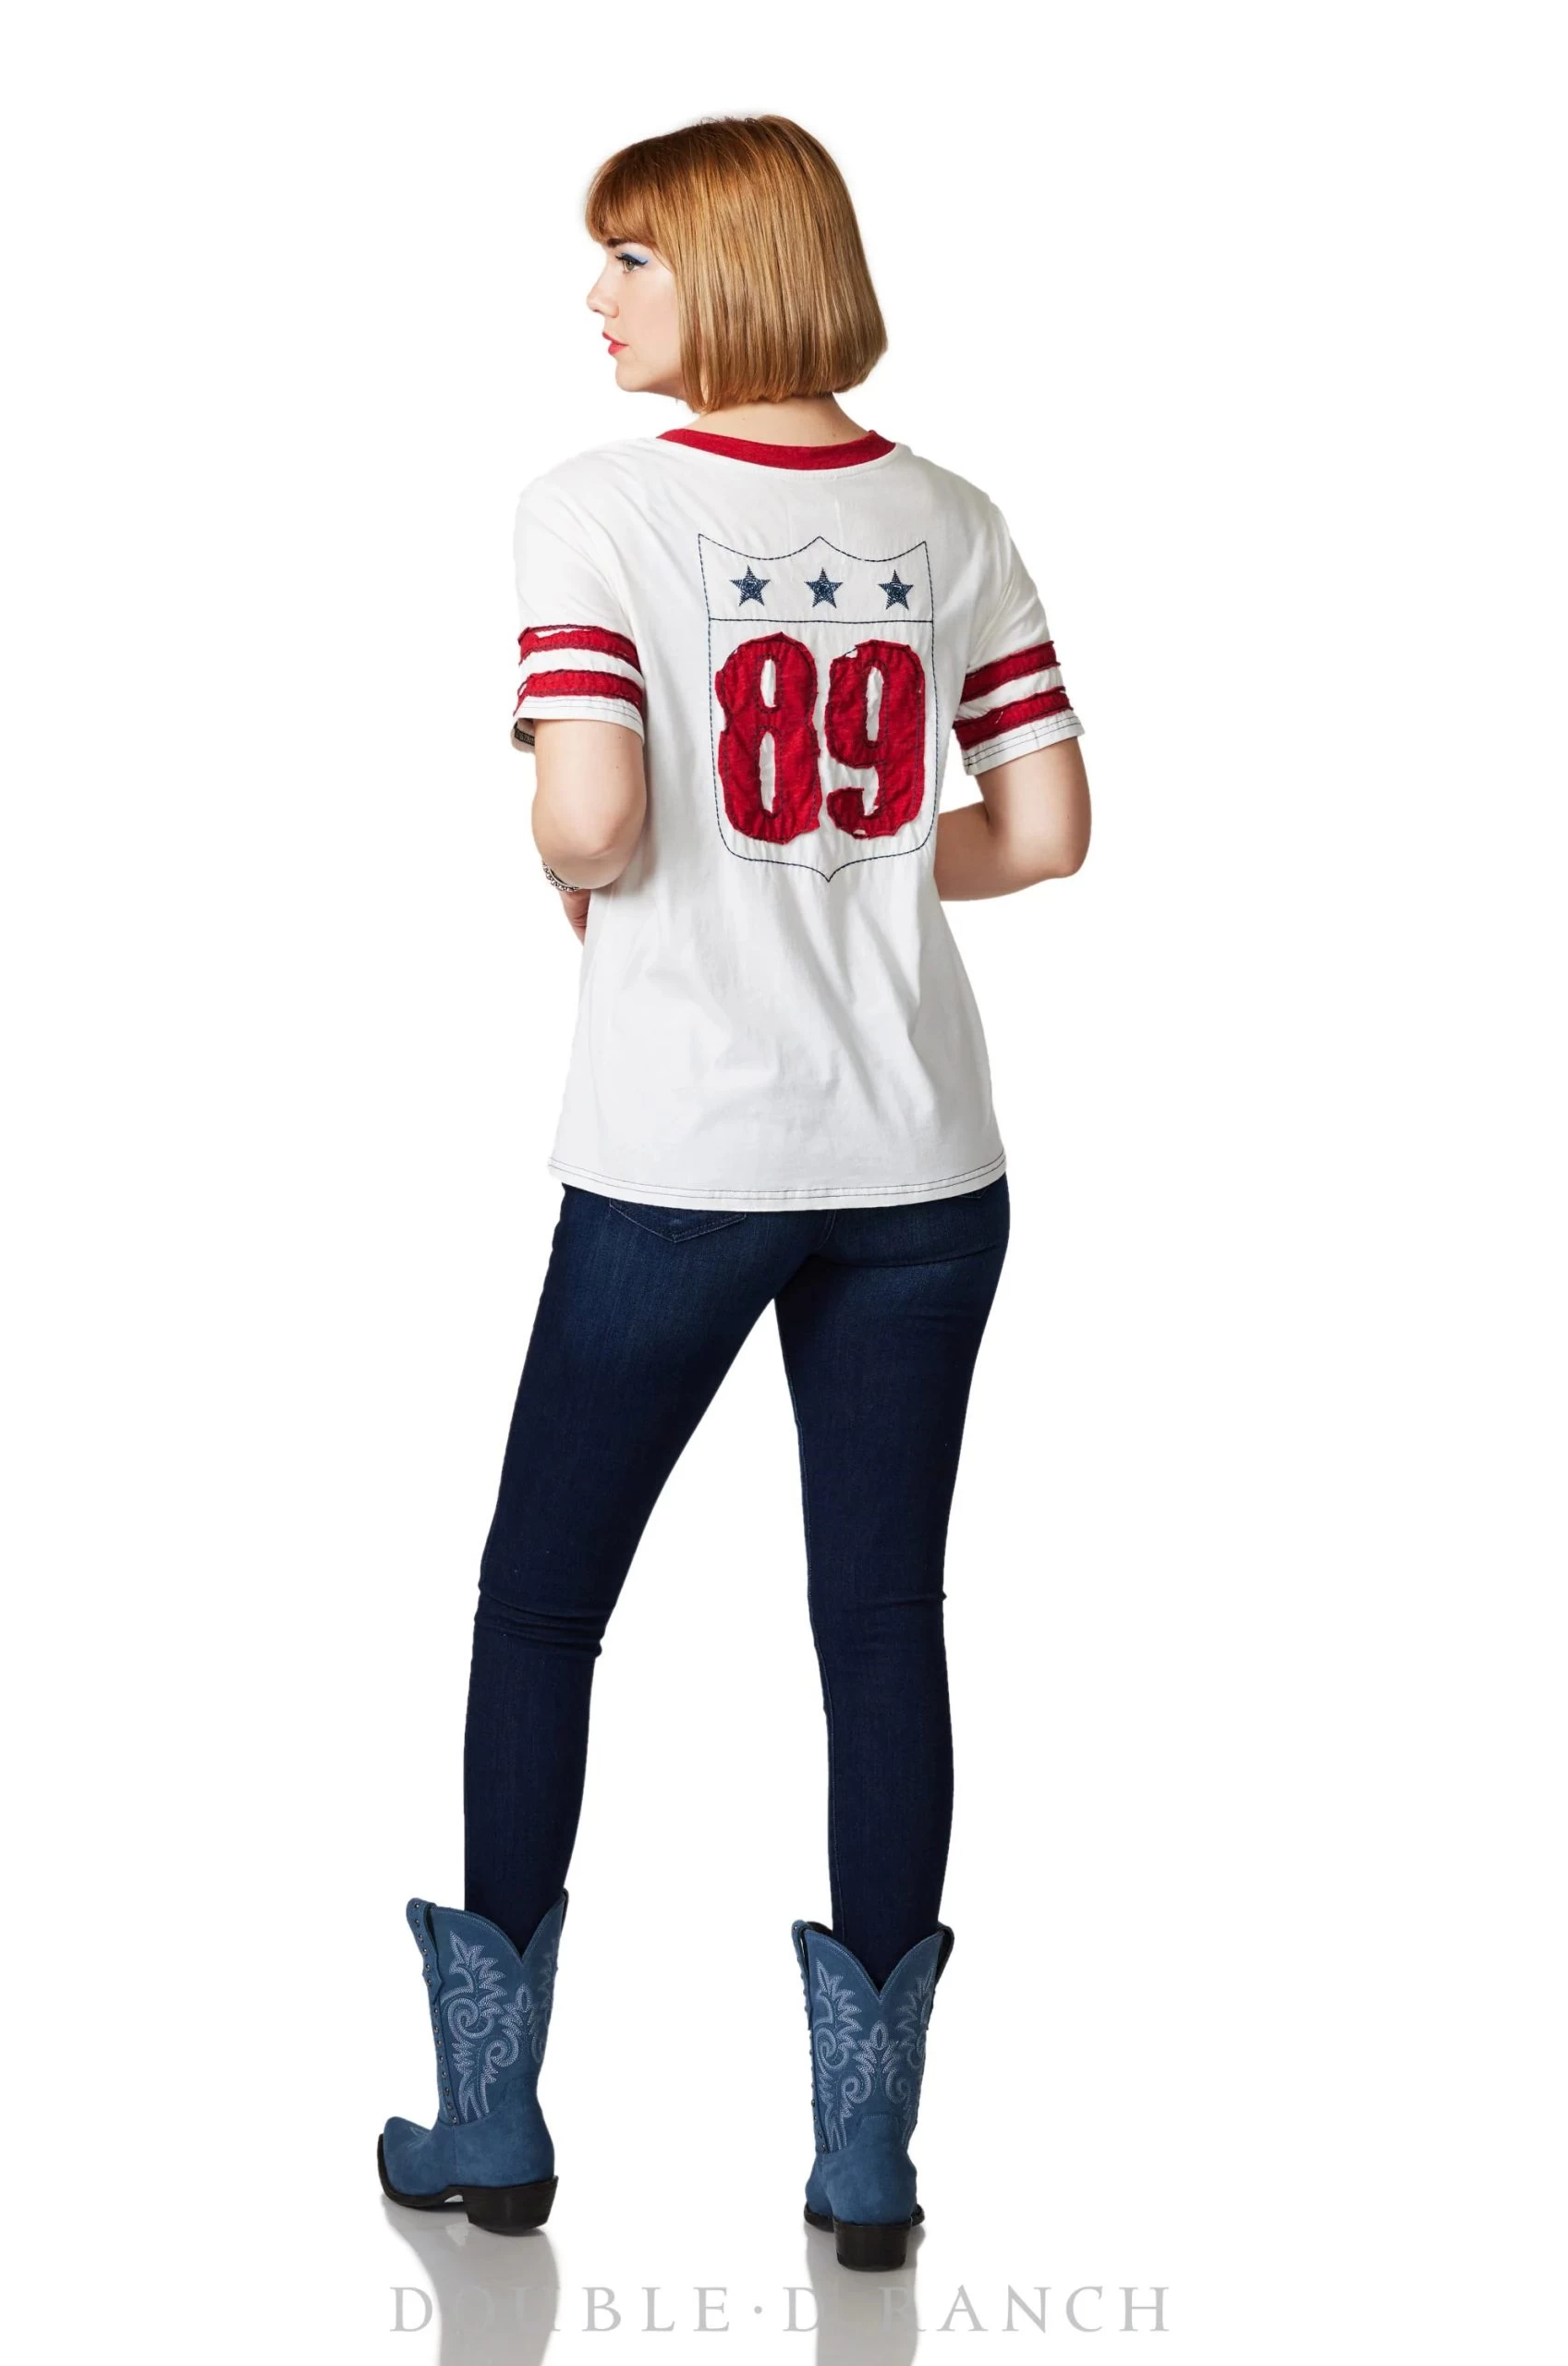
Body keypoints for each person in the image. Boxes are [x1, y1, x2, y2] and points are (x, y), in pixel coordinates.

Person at [377, 114, 1091, 2273]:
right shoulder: (954, 516)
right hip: (924, 1161)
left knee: (541, 1604)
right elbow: (1043, 829)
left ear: (732, 266)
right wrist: (844, 864)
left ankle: (491, 2116)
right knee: (879, 1625)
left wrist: (571, 826)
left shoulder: (593, 507)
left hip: (685, 1155)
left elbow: (591, 822)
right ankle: (865, 2162)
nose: (594, 300)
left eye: (630, 260)